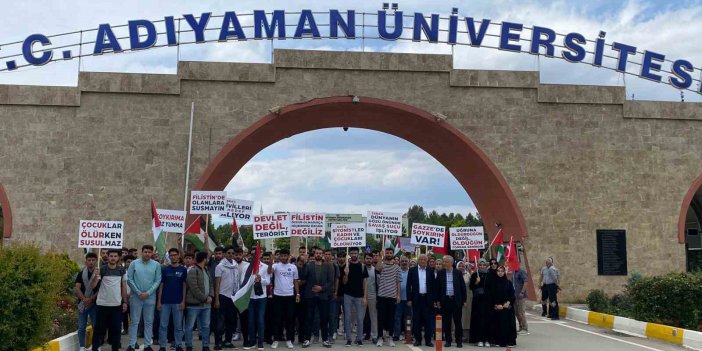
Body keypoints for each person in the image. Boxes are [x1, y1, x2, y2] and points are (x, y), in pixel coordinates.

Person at [91, 249, 128, 351]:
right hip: (102, 304)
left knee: (116, 330)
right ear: (108, 256)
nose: (113, 258)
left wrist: (125, 302)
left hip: (116, 305)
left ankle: (115, 348)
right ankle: (95, 348)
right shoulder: (101, 269)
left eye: (115, 256)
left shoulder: (121, 270)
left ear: (119, 258)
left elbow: (123, 287)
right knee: (99, 330)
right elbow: (93, 286)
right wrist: (96, 276)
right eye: (111, 256)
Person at [126, 245, 162, 351]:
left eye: (149, 252)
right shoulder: (134, 263)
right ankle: (132, 345)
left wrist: (148, 292)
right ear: (142, 252)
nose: (147, 254)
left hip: (150, 297)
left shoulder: (156, 265)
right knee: (134, 321)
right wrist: (138, 292)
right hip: (136, 296)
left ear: (152, 253)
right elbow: (129, 279)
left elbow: (158, 280)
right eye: (145, 252)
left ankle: (147, 345)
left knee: (149, 321)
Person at [299, 248, 334, 348]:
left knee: (324, 318)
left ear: (322, 255)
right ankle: (307, 339)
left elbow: (330, 281)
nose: (318, 254)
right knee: (309, 318)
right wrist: (304, 263)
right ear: (314, 255)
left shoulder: (327, 266)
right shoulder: (309, 266)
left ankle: (325, 340)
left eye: (320, 253)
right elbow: (303, 277)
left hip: (323, 296)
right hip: (310, 295)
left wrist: (321, 288)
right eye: (316, 253)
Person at [268, 249, 300, 349]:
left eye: (285, 256)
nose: (283, 258)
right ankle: (276, 340)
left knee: (289, 319)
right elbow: (269, 272)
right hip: (278, 296)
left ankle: (289, 340)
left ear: (288, 256)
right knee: (277, 319)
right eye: (281, 256)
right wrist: (271, 261)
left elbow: (295, 281)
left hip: (290, 296)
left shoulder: (293, 267)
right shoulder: (275, 265)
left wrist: (298, 293)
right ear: (279, 256)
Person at [157, 248, 187, 351]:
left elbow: (184, 286)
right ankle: (162, 346)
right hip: (165, 302)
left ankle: (178, 345)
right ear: (169, 257)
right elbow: (161, 285)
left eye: (175, 255)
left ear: (179, 256)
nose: (173, 257)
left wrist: (183, 301)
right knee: (163, 325)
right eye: (171, 255)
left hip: (178, 302)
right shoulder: (165, 269)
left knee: (178, 326)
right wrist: (159, 301)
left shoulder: (183, 270)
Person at [185, 251, 215, 351]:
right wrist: (204, 298)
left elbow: (210, 284)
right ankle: (189, 345)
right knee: (189, 326)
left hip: (206, 305)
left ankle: (205, 346)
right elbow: (194, 288)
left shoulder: (206, 270)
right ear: (204, 259)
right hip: (194, 305)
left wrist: (211, 295)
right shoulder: (193, 271)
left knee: (206, 326)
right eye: (207, 258)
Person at [435, 256, 466, 348]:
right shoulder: (440, 273)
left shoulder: (458, 273)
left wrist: (464, 300)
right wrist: (437, 300)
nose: (444, 263)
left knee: (457, 322)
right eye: (444, 262)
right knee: (447, 322)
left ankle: (459, 341)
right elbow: (437, 288)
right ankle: (448, 340)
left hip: (456, 301)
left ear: (451, 263)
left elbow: (462, 287)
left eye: (446, 262)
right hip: (445, 301)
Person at [374, 248, 401, 347]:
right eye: (387, 253)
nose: (389, 254)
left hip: (392, 296)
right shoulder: (382, 265)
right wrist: (381, 257)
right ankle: (380, 338)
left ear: (393, 254)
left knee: (391, 318)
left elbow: (398, 282)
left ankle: (390, 338)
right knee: (381, 318)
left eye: (391, 253)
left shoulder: (397, 267)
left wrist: (398, 295)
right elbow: (377, 268)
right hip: (382, 295)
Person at [244, 249, 270, 351]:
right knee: (251, 320)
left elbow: (268, 282)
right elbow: (243, 281)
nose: (256, 256)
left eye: (258, 254)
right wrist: (251, 279)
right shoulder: (247, 267)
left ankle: (260, 342)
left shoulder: (265, 267)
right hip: (250, 297)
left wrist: (260, 279)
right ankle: (252, 341)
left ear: (260, 256)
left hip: (261, 297)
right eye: (254, 254)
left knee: (260, 320)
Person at [407, 254, 435, 347]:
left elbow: (433, 286)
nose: (423, 261)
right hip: (416, 298)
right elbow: (408, 286)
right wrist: (409, 299)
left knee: (428, 321)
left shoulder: (431, 271)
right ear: (418, 260)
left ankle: (428, 341)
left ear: (427, 261)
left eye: (424, 259)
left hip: (427, 299)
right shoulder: (412, 270)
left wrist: (434, 300)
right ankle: (418, 340)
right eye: (421, 259)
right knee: (417, 320)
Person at [342, 247, 368, 346]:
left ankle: (359, 338)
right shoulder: (346, 266)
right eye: (352, 253)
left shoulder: (362, 266)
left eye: (355, 253)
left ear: (358, 254)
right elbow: (344, 282)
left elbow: (365, 282)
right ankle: (349, 339)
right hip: (348, 295)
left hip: (359, 296)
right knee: (347, 318)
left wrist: (365, 297)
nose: (353, 255)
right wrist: (346, 274)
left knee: (360, 318)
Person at [214, 246, 239, 350]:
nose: (231, 255)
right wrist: (217, 299)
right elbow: (217, 283)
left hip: (233, 296)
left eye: (232, 253)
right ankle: (218, 342)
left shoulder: (235, 265)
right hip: (223, 296)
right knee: (220, 321)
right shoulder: (220, 266)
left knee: (231, 320)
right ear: (224, 254)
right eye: (229, 253)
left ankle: (228, 341)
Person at [76, 252, 99, 351]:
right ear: (86, 262)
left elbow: (100, 289)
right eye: (89, 260)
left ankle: (96, 346)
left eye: (93, 260)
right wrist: (84, 299)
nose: (91, 262)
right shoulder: (81, 273)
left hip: (94, 303)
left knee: (96, 326)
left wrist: (91, 299)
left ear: (96, 261)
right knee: (81, 327)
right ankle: (81, 347)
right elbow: (77, 288)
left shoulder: (99, 273)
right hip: (83, 304)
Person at [490, 266, 517, 347]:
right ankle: (498, 341)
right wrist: (495, 305)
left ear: (504, 272)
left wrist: (507, 304)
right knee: (497, 324)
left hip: (506, 308)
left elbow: (512, 295)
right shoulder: (493, 283)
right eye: (498, 271)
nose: (500, 272)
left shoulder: (508, 282)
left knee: (508, 325)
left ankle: (509, 341)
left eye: (502, 271)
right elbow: (491, 295)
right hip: (497, 308)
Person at [468, 259, 491, 347]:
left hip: (487, 301)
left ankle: (487, 339)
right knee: (478, 320)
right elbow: (471, 287)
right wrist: (476, 282)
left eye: (483, 265)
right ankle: (479, 339)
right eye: (480, 265)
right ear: (478, 266)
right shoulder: (474, 274)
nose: (482, 266)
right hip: (478, 301)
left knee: (487, 320)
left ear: (486, 265)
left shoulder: (489, 275)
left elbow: (492, 287)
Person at [233, 247, 251, 347]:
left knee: (244, 319)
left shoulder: (248, 265)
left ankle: (246, 340)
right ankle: (228, 339)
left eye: (239, 254)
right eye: (236, 254)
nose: (238, 256)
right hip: (231, 295)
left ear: (243, 255)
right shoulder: (230, 264)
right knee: (231, 319)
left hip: (243, 296)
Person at [393, 256, 411, 341]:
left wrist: (411, 299)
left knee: (408, 318)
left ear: (409, 262)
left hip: (408, 299)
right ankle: (396, 334)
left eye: (406, 261)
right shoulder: (396, 272)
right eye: (402, 261)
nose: (404, 262)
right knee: (397, 317)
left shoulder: (411, 272)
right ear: (400, 262)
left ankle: (408, 335)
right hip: (398, 298)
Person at [363, 252, 379, 343]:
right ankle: (360, 335)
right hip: (362, 296)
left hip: (373, 296)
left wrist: (377, 297)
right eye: (367, 258)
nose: (368, 260)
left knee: (374, 316)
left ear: (372, 259)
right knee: (361, 316)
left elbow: (378, 284)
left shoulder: (375, 270)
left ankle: (374, 336)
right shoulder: (361, 268)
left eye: (370, 258)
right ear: (364, 259)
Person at [262, 252, 275, 345]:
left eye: (268, 259)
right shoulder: (260, 268)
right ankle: (263, 336)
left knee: (270, 317)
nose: (266, 261)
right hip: (261, 295)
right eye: (265, 259)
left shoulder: (274, 268)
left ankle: (269, 336)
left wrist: (271, 262)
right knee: (262, 317)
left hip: (272, 296)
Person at [457, 261, 472, 341]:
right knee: (458, 317)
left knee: (466, 317)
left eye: (463, 266)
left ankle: (466, 335)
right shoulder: (454, 274)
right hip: (457, 298)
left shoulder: (468, 275)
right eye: (459, 266)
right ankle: (457, 335)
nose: (461, 267)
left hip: (467, 298)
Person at [512, 265, 529, 335]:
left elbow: (526, 282)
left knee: (521, 312)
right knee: (516, 312)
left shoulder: (522, 271)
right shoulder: (514, 272)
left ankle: (525, 328)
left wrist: (522, 292)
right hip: (515, 295)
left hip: (521, 295)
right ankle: (521, 326)